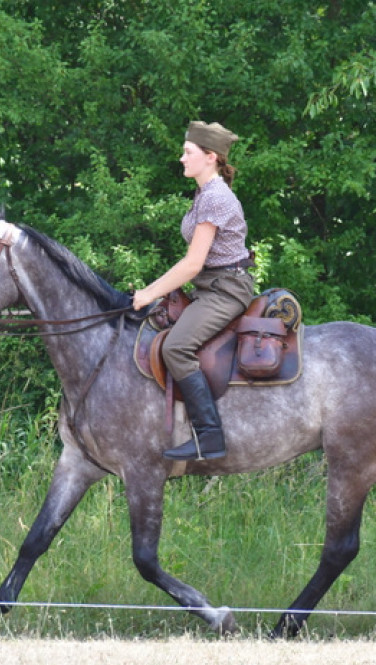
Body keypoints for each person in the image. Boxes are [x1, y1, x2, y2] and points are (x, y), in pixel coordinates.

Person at [132, 121, 254, 461]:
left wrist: (148, 293)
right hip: (209, 288)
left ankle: (209, 436)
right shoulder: (203, 193)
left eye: (188, 152)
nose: (181, 158)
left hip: (226, 289)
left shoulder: (215, 197)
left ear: (210, 156)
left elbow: (192, 264)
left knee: (176, 347)